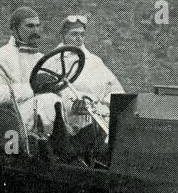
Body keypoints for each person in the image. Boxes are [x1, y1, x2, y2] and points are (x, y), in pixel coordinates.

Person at [0, 6, 72, 140]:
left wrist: (71, 99)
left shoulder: (41, 58)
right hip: (12, 119)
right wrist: (32, 87)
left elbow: (57, 88)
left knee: (76, 106)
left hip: (42, 114)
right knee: (48, 100)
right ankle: (62, 144)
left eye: (37, 26)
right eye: (30, 26)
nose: (36, 31)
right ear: (14, 29)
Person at [45, 13, 125, 159]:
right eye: (74, 34)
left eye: (82, 34)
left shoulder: (94, 61)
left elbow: (114, 90)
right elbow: (48, 93)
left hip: (96, 118)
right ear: (63, 35)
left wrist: (104, 106)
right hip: (66, 122)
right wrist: (71, 104)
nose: (79, 38)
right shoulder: (52, 61)